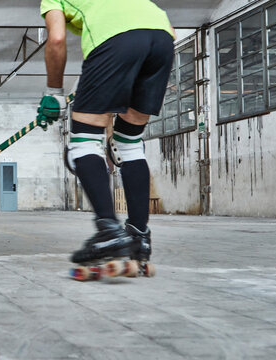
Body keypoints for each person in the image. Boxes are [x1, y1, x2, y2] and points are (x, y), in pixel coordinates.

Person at [37, 0, 175, 264]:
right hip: (161, 41)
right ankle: (139, 236)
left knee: (83, 142)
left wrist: (54, 93)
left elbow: (55, 39)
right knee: (130, 143)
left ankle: (109, 231)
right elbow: (169, 29)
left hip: (115, 43)